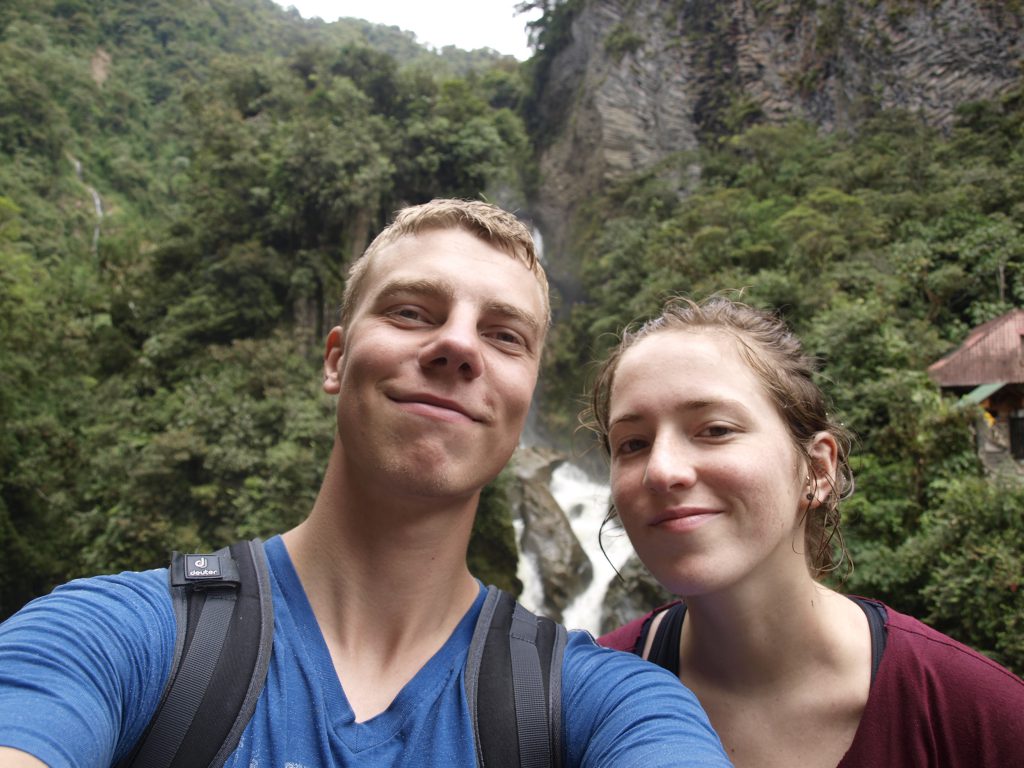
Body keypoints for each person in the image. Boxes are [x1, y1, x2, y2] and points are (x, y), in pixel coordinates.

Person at [0, 200, 731, 767]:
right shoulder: (120, 638)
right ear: (335, 359)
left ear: (526, 397)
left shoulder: (604, 703)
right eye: (413, 312)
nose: (456, 346)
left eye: (504, 334)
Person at [589, 295, 1024, 768]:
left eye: (714, 429)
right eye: (632, 443)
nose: (661, 470)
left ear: (818, 468)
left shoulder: (978, 716)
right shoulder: (576, 700)